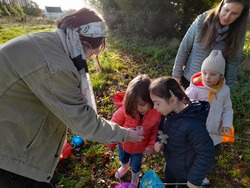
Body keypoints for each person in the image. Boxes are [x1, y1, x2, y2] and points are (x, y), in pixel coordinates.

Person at [0, 8, 144, 187]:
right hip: (9, 156)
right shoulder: (57, 67)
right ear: (83, 42)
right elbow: (84, 123)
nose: (92, 57)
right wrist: (126, 134)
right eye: (93, 52)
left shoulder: (52, 43)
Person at [149, 76, 215, 188]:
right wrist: (159, 141)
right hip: (171, 164)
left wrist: (194, 179)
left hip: (186, 173)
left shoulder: (193, 125)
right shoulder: (167, 113)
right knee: (169, 183)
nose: (154, 107)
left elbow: (206, 153)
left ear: (173, 100)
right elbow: (162, 129)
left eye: (157, 103)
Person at [172, 0, 249, 90]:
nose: (227, 16)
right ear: (221, 5)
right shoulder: (202, 20)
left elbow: (233, 63)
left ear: (240, 15)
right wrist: (176, 75)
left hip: (212, 89)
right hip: (189, 80)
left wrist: (228, 89)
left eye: (234, 13)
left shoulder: (238, 34)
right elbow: (184, 48)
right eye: (226, 10)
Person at [186, 50, 234, 185]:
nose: (207, 77)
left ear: (221, 75)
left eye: (213, 74)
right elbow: (185, 106)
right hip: (197, 131)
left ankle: (202, 173)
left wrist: (226, 124)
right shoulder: (195, 89)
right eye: (204, 73)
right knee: (195, 152)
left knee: (209, 154)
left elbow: (227, 109)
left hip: (214, 131)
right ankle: (193, 173)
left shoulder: (224, 90)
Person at [107, 74, 162, 187]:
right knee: (123, 158)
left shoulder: (156, 114)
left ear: (150, 100)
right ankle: (124, 167)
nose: (139, 108)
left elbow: (154, 131)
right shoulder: (125, 111)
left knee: (136, 165)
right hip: (123, 144)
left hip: (139, 148)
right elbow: (114, 125)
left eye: (142, 104)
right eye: (135, 104)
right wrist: (111, 141)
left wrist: (150, 145)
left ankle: (135, 178)